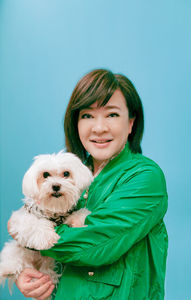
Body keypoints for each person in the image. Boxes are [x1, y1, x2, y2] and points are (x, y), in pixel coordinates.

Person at [14, 69, 168, 300]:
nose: (99, 128)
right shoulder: (71, 174)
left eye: (112, 115)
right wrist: (27, 270)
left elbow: (94, 246)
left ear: (131, 123)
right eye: (87, 115)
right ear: (75, 123)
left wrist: (27, 231)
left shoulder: (144, 177)